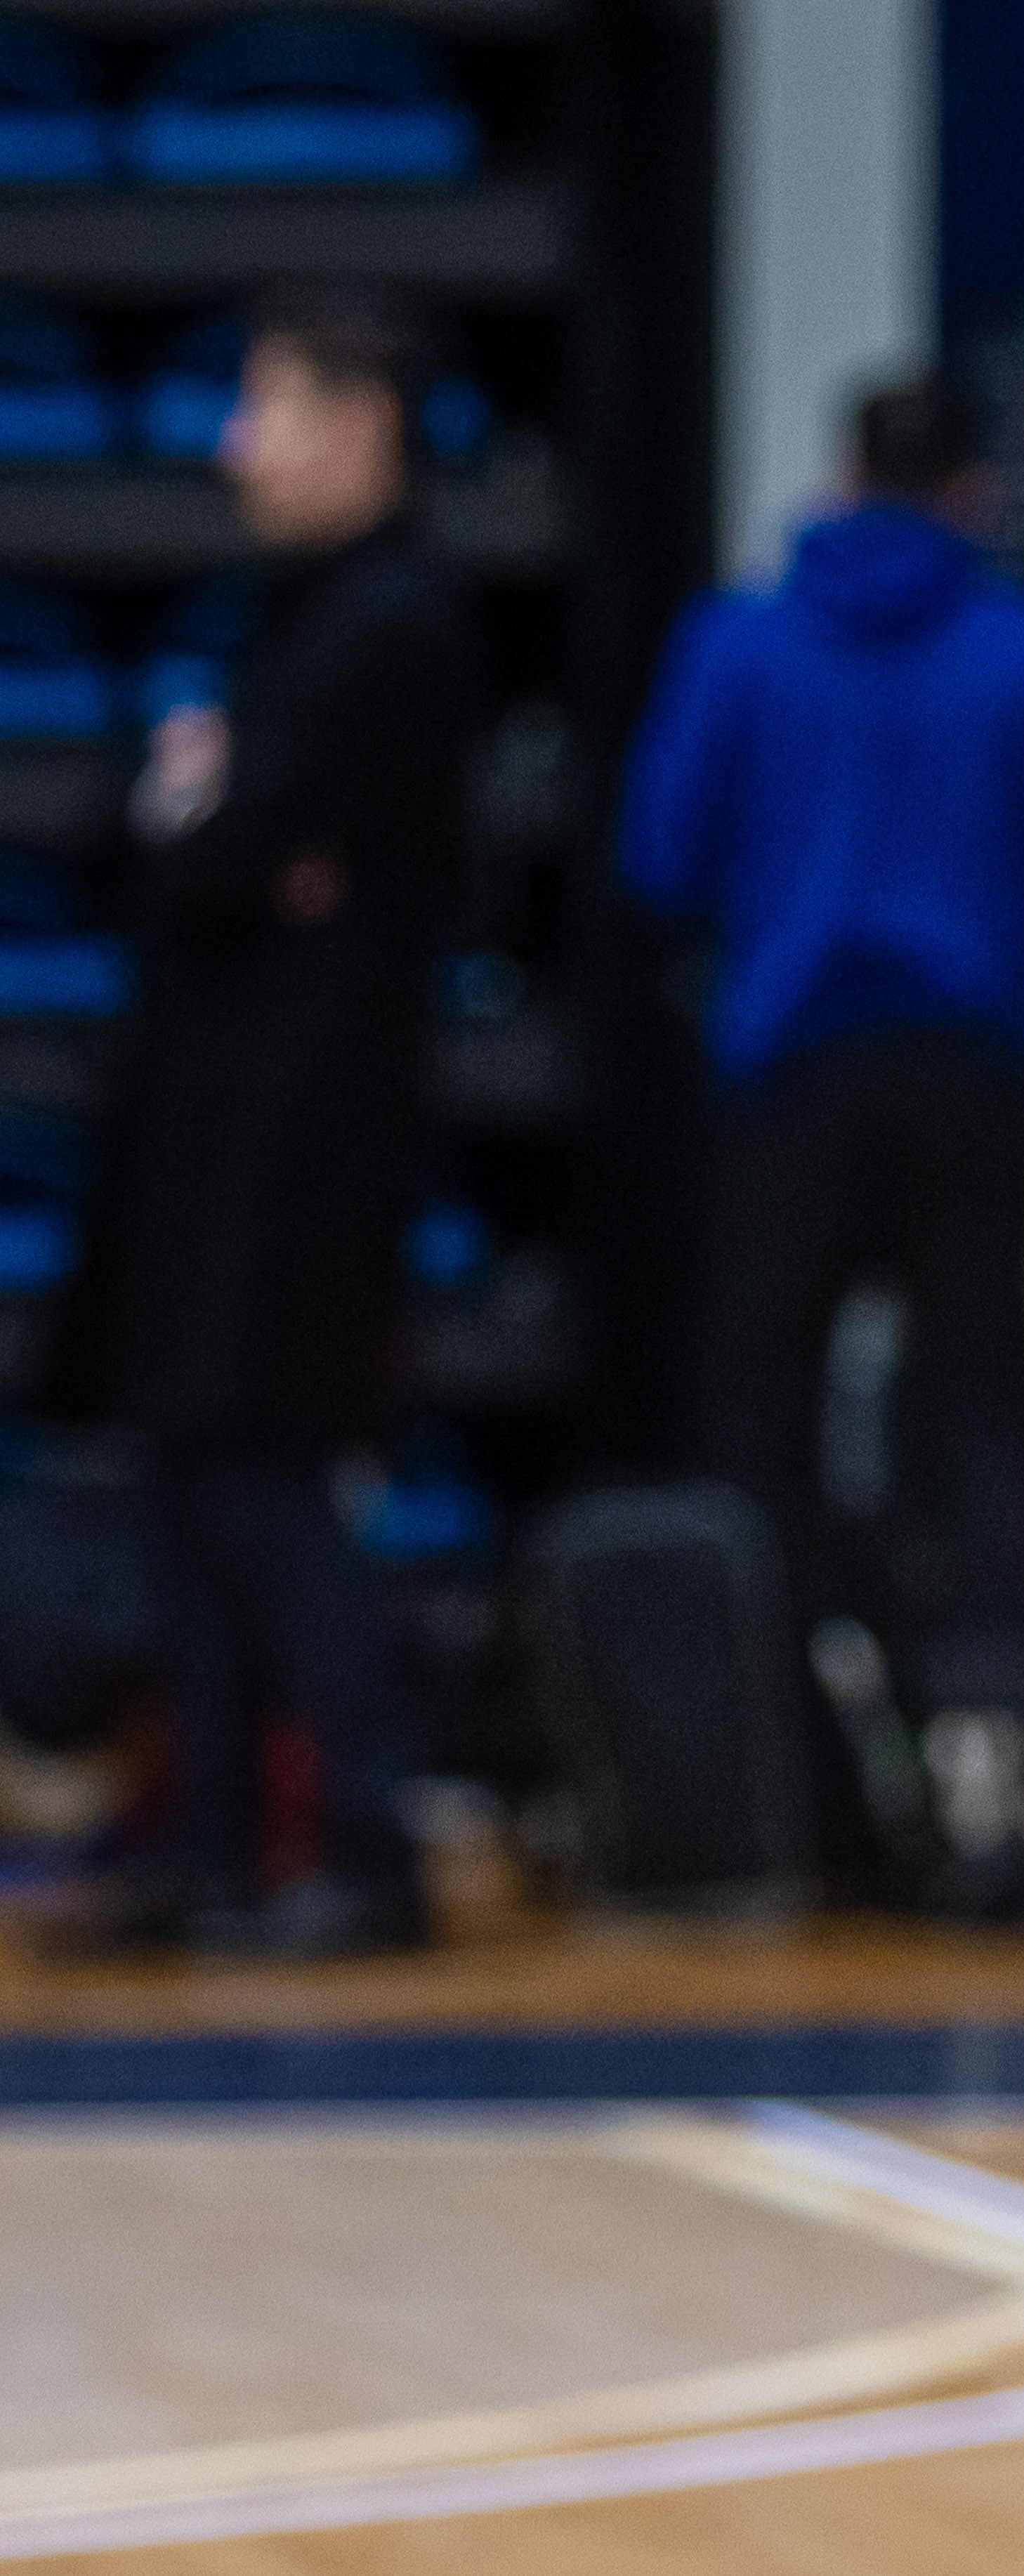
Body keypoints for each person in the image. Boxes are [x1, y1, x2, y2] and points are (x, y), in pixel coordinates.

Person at [41, 280, 479, 1959]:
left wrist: (215, 822)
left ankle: (369, 1839)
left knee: (272, 1484)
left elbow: (225, 845)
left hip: (304, 1155)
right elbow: (181, 842)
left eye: (270, 407)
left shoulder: (391, 631)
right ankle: (207, 1839)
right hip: (212, 1138)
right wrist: (209, 827)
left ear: (363, 425)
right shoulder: (290, 625)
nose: (238, 446)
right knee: (191, 1482)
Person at [619, 375, 1024, 1781]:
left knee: (759, 1399)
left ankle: (756, 1746)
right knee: (980, 1396)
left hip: (794, 1067)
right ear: (969, 488)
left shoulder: (739, 640)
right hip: (976, 1071)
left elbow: (662, 856)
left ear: (843, 477)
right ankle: (996, 1752)